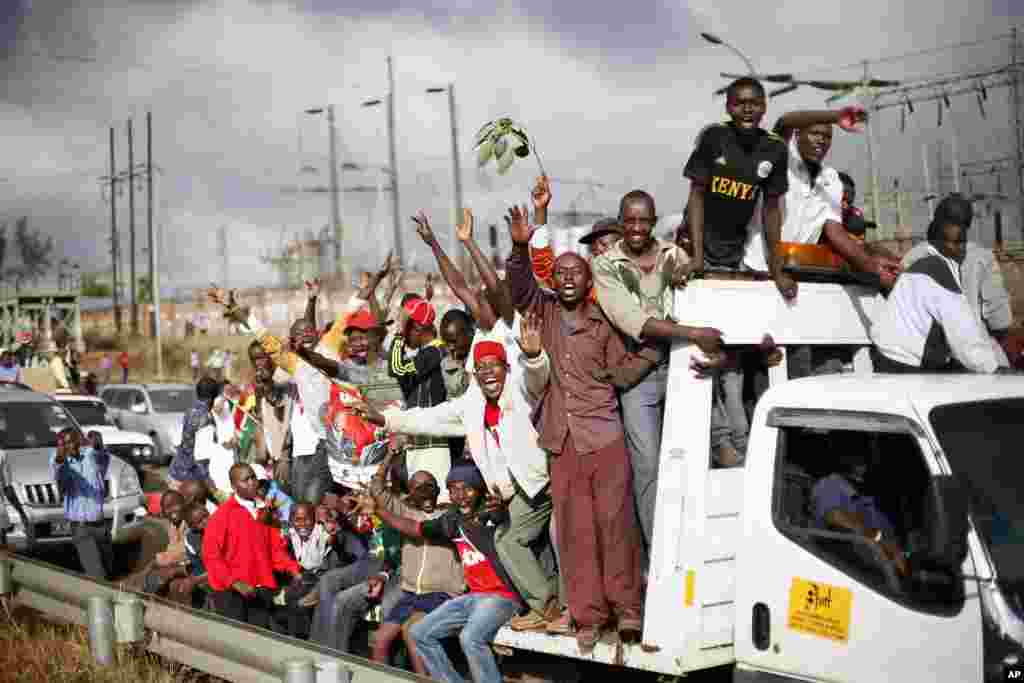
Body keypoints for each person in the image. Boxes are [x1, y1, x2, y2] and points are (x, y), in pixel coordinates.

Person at [356, 314, 559, 632]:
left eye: (495, 366)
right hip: (515, 492)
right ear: (475, 375)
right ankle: (544, 605)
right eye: (482, 368)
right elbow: (430, 418)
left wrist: (533, 357)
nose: (488, 373)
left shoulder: (519, 389)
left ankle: (552, 606)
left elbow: (538, 379)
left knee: (523, 542)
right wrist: (385, 420)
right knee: (511, 541)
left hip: (544, 482)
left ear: (507, 368)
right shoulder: (471, 405)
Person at [505, 205, 644, 652]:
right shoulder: (541, 313)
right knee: (576, 534)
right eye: (560, 271)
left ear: (588, 283)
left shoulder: (603, 321)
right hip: (562, 445)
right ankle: (587, 617)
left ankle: (627, 612)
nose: (566, 277)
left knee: (615, 528)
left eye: (575, 273)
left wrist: (658, 353)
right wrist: (519, 245)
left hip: (604, 439)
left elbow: (623, 372)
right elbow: (520, 285)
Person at [592, 190, 727, 549]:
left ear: (653, 222)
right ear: (621, 223)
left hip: (685, 365)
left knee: (706, 451)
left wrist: (692, 269)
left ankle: (707, 541)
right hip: (639, 374)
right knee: (648, 466)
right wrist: (693, 332)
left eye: (644, 220)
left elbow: (701, 299)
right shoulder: (605, 264)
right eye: (630, 220)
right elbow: (633, 320)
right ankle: (660, 552)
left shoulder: (673, 255)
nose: (637, 228)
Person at [368, 462, 520, 683]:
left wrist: (501, 511)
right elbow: (414, 528)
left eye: (467, 488)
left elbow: (499, 517)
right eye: (454, 489)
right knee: (419, 634)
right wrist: (377, 511)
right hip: (473, 597)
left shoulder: (488, 513)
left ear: (479, 490)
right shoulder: (451, 521)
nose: (461, 495)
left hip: (501, 596)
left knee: (470, 638)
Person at [870, 194, 1004, 374]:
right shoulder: (939, 269)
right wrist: (992, 368)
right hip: (909, 364)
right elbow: (963, 335)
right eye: (957, 242)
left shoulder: (916, 260)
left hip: (888, 357)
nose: (961, 249)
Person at [684, 77, 792, 296]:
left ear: (764, 107)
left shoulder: (775, 148)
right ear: (728, 107)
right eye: (739, 103)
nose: (747, 109)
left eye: (754, 103)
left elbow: (771, 210)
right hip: (695, 245)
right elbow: (696, 196)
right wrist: (696, 257)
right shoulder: (714, 137)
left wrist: (776, 269)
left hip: (736, 250)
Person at [363, 464, 465, 673]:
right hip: (411, 594)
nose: (425, 491)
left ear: (438, 491)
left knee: (413, 632)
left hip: (442, 594)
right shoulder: (406, 512)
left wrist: (378, 511)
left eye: (430, 486)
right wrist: (390, 455)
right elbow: (377, 489)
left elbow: (412, 528)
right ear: (410, 493)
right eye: (418, 488)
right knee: (379, 640)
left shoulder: (450, 516)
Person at [901, 194, 1013, 368]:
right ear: (968, 224)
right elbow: (1001, 321)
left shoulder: (911, 259)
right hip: (982, 360)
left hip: (930, 365)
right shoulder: (982, 258)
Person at [202, 463, 302, 628]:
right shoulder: (222, 515)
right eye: (245, 480)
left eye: (253, 477)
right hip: (232, 593)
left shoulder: (266, 512)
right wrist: (235, 582)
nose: (251, 483)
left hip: (260, 589)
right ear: (234, 486)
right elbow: (211, 555)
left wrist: (293, 570)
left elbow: (275, 550)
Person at [387, 291, 451, 501]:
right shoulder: (426, 354)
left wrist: (397, 336)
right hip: (420, 443)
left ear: (419, 329)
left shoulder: (436, 352)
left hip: (434, 445)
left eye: (406, 330)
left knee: (437, 503)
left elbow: (395, 368)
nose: (404, 336)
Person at [811, 450, 909, 578]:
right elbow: (834, 516)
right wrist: (876, 537)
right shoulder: (830, 483)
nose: (864, 466)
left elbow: (890, 542)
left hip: (885, 575)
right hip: (851, 570)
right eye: (859, 462)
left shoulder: (869, 500)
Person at [50, 428, 113, 580]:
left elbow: (103, 457)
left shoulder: (90, 455)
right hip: (81, 527)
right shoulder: (60, 460)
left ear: (78, 441)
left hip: (100, 524)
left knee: (109, 568)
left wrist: (98, 443)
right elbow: (58, 471)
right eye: (64, 443)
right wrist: (60, 454)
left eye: (71, 441)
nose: (68, 446)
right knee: (96, 573)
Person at [168, 376, 221, 496]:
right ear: (214, 397)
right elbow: (201, 458)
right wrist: (213, 490)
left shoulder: (189, 411)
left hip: (175, 473)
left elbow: (176, 442)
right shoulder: (206, 419)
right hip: (190, 483)